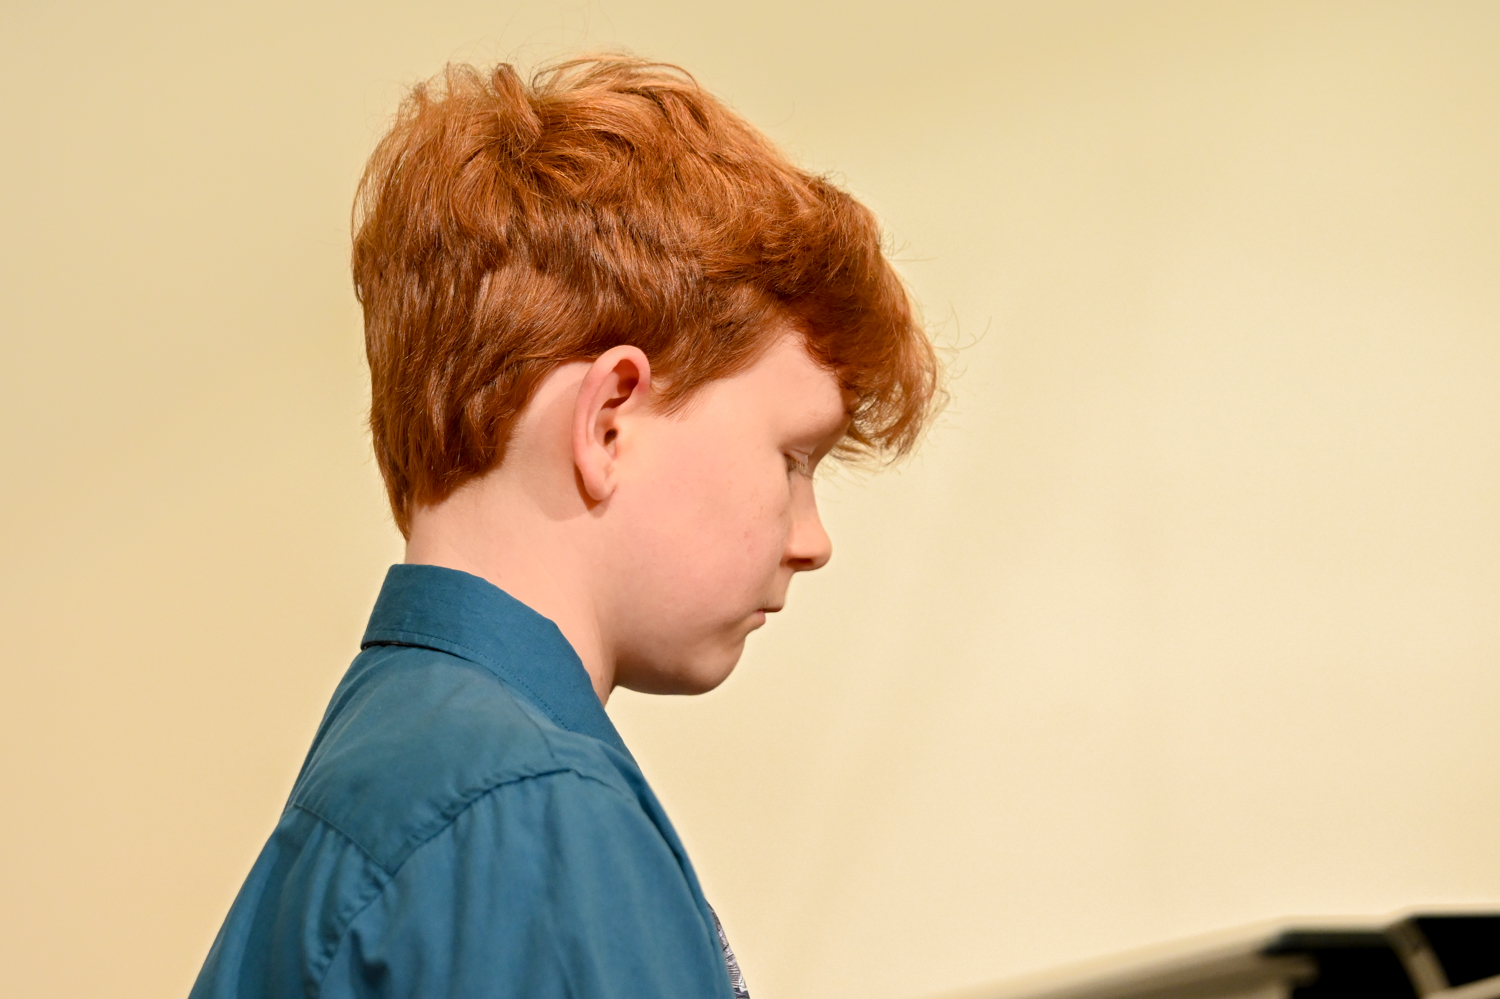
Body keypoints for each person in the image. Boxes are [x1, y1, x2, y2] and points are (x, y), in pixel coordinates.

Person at [189, 54, 939, 999]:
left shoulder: (393, 769)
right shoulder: (525, 810)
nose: (812, 539)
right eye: (793, 459)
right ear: (610, 421)